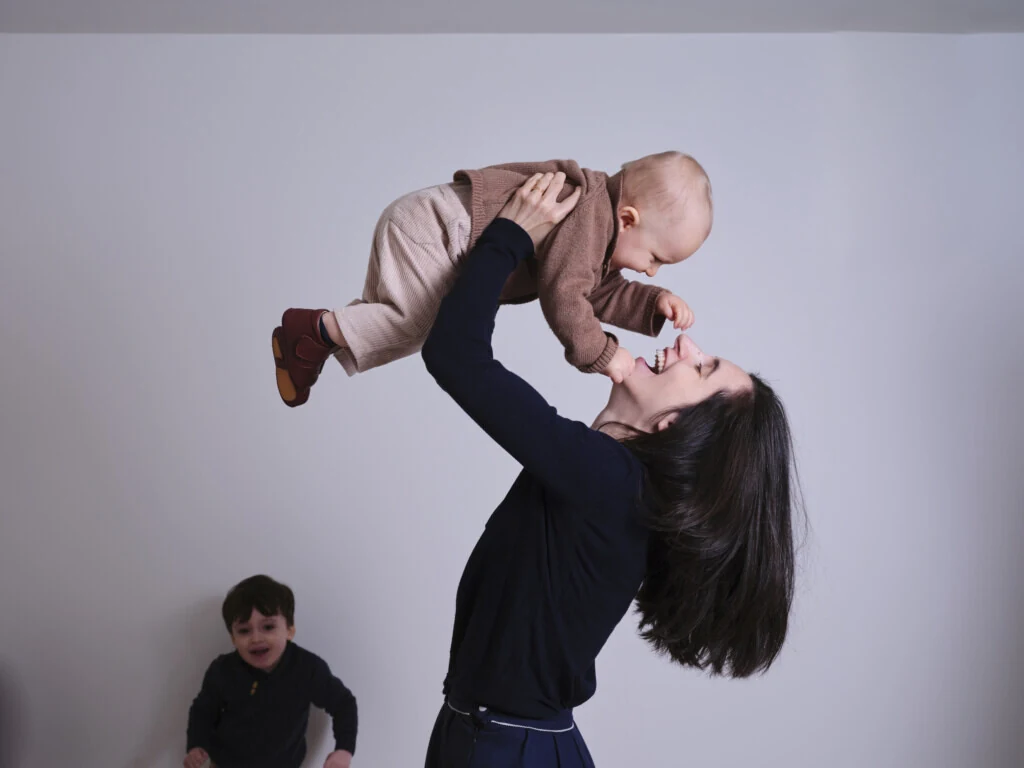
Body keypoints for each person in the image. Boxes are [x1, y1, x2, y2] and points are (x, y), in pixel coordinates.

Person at [419, 172, 799, 767]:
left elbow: (454, 354)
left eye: (702, 368)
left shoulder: (606, 478)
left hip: (506, 747)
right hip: (504, 737)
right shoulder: (619, 487)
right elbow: (581, 293)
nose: (688, 346)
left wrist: (512, 233)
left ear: (674, 426)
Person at [272, 152, 713, 407]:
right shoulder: (590, 218)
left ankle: (312, 343)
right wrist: (603, 354)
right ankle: (313, 329)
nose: (650, 270)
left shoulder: (598, 232)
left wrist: (652, 301)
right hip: (439, 229)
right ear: (628, 219)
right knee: (418, 325)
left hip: (438, 230)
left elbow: (596, 289)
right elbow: (565, 295)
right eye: (655, 259)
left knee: (399, 320)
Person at [183, 575, 358, 768]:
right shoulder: (223, 670)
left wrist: (344, 749)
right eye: (244, 631)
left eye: (268, 627)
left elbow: (344, 703)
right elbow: (203, 711)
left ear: (289, 630)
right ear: (233, 638)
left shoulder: (307, 669)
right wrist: (196, 745)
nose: (256, 638)